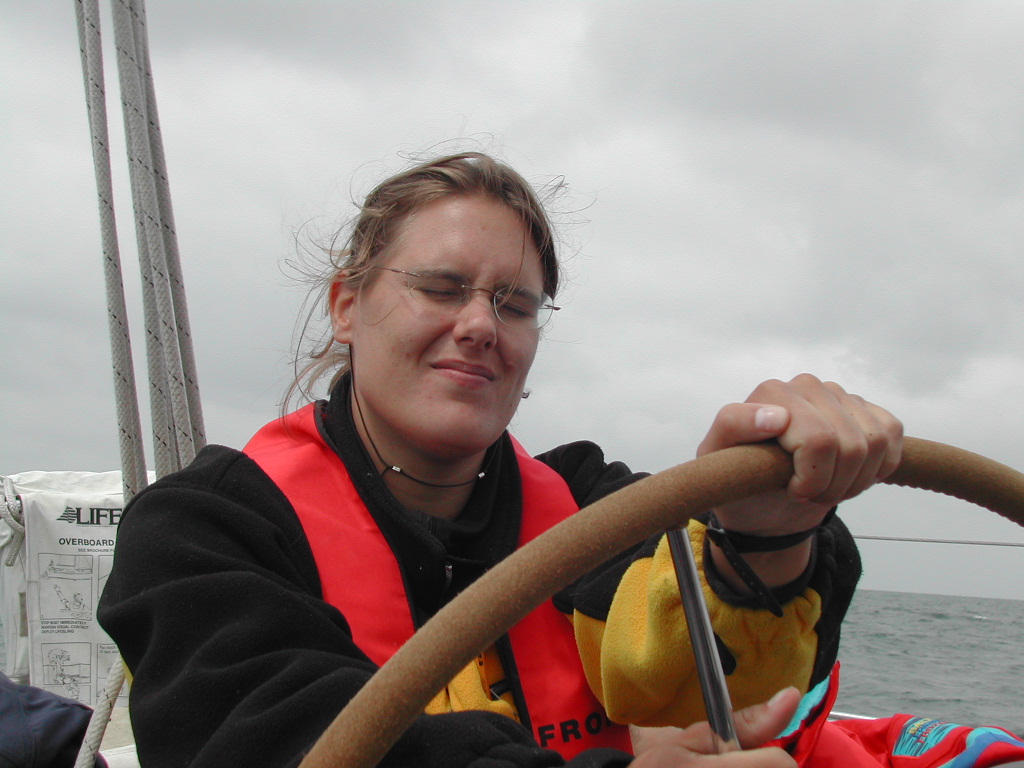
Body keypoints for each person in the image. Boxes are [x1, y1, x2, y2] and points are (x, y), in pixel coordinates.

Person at [97, 152, 903, 768]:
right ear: (347, 306)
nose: (481, 325)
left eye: (514, 304)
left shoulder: (595, 505)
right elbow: (290, 743)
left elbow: (690, 661)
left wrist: (763, 534)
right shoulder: (201, 535)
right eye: (442, 288)